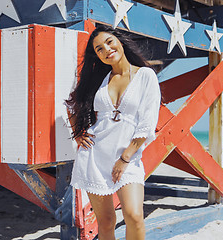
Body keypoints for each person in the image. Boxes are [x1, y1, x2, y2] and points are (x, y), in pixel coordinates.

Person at [65, 25, 161, 240]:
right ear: (97, 56)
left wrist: (125, 158)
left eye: (109, 42)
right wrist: (78, 133)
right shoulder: (99, 79)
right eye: (99, 49)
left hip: (127, 157)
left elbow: (147, 123)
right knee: (106, 221)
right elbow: (71, 105)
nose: (106, 49)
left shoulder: (145, 76)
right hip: (94, 156)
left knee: (134, 215)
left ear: (120, 41)